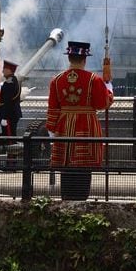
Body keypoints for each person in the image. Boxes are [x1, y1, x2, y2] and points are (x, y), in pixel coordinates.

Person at [47, 42, 113, 201]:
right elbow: (102, 103)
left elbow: (53, 109)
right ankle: (80, 202)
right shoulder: (93, 80)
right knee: (83, 167)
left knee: (66, 166)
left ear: (69, 57)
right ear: (85, 59)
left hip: (63, 127)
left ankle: (66, 200)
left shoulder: (56, 80)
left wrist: (52, 130)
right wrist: (109, 89)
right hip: (86, 125)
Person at [0, 60, 23, 136]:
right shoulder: (14, 80)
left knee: (9, 137)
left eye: (4, 69)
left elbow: (7, 101)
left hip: (9, 114)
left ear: (9, 70)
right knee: (9, 134)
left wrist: (4, 116)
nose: (2, 71)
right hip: (11, 113)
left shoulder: (9, 83)